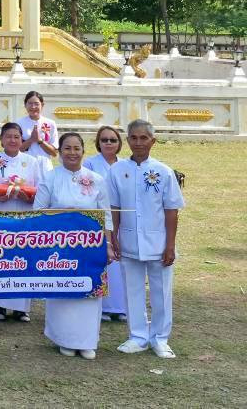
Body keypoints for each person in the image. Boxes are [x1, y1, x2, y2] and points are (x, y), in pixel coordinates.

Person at [33, 132, 113, 360]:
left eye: (76, 148)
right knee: (63, 292)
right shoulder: (50, 178)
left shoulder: (96, 179)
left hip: (90, 247)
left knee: (88, 292)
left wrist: (107, 244)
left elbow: (106, 215)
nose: (72, 153)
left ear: (83, 151)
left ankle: (87, 340)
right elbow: (38, 212)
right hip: (58, 248)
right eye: (67, 148)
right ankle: (64, 339)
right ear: (59, 151)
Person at [109, 120, 184, 359]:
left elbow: (172, 210)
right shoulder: (117, 171)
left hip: (158, 242)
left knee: (161, 292)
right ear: (127, 140)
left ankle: (160, 338)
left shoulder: (164, 171)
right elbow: (114, 207)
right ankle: (137, 337)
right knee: (132, 291)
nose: (139, 143)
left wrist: (170, 245)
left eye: (144, 138)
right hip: (129, 241)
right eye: (134, 138)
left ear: (153, 140)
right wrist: (114, 237)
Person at [0, 122, 45, 323]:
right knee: (0, 257)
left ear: (22, 139)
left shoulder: (31, 162)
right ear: (1, 139)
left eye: (16, 136)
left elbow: (39, 190)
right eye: (8, 136)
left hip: (24, 216)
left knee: (22, 258)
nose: (12, 140)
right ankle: (0, 305)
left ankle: (22, 308)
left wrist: (29, 198)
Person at [85, 125, 128, 322]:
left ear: (119, 143)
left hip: (122, 216)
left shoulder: (126, 165)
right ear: (98, 143)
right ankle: (103, 307)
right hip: (100, 217)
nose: (109, 143)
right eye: (104, 140)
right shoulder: (90, 164)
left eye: (113, 140)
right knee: (104, 260)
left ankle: (120, 307)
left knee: (121, 262)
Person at [16, 90, 57, 171]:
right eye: (30, 103)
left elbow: (54, 153)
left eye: (36, 104)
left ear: (42, 105)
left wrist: (40, 141)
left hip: (44, 167)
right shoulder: (18, 123)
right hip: (24, 165)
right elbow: (16, 150)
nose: (33, 107)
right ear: (25, 105)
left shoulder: (50, 123)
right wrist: (31, 140)